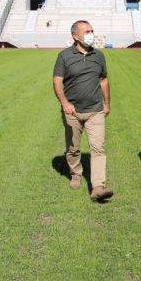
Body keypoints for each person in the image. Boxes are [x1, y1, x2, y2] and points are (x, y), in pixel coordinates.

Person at [53, 20, 114, 202]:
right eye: (87, 31)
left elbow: (103, 80)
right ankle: (76, 174)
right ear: (75, 36)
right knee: (73, 149)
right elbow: (57, 82)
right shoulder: (64, 56)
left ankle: (98, 187)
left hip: (95, 110)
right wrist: (65, 103)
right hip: (72, 111)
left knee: (98, 148)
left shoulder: (99, 56)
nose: (91, 34)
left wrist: (107, 103)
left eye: (92, 30)